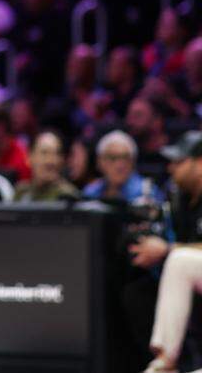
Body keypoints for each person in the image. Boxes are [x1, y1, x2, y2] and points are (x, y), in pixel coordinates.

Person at [143, 132, 202, 373]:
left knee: (179, 261)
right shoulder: (180, 200)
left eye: (179, 162)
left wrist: (166, 250)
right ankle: (165, 361)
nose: (170, 168)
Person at [82, 130, 164, 204]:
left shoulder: (147, 193)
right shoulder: (90, 192)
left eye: (125, 158)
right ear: (99, 162)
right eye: (112, 158)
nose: (120, 165)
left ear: (133, 162)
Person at [14, 131, 80, 202]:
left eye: (57, 154)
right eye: (44, 153)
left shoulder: (68, 196)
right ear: (29, 157)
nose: (51, 161)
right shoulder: (21, 192)